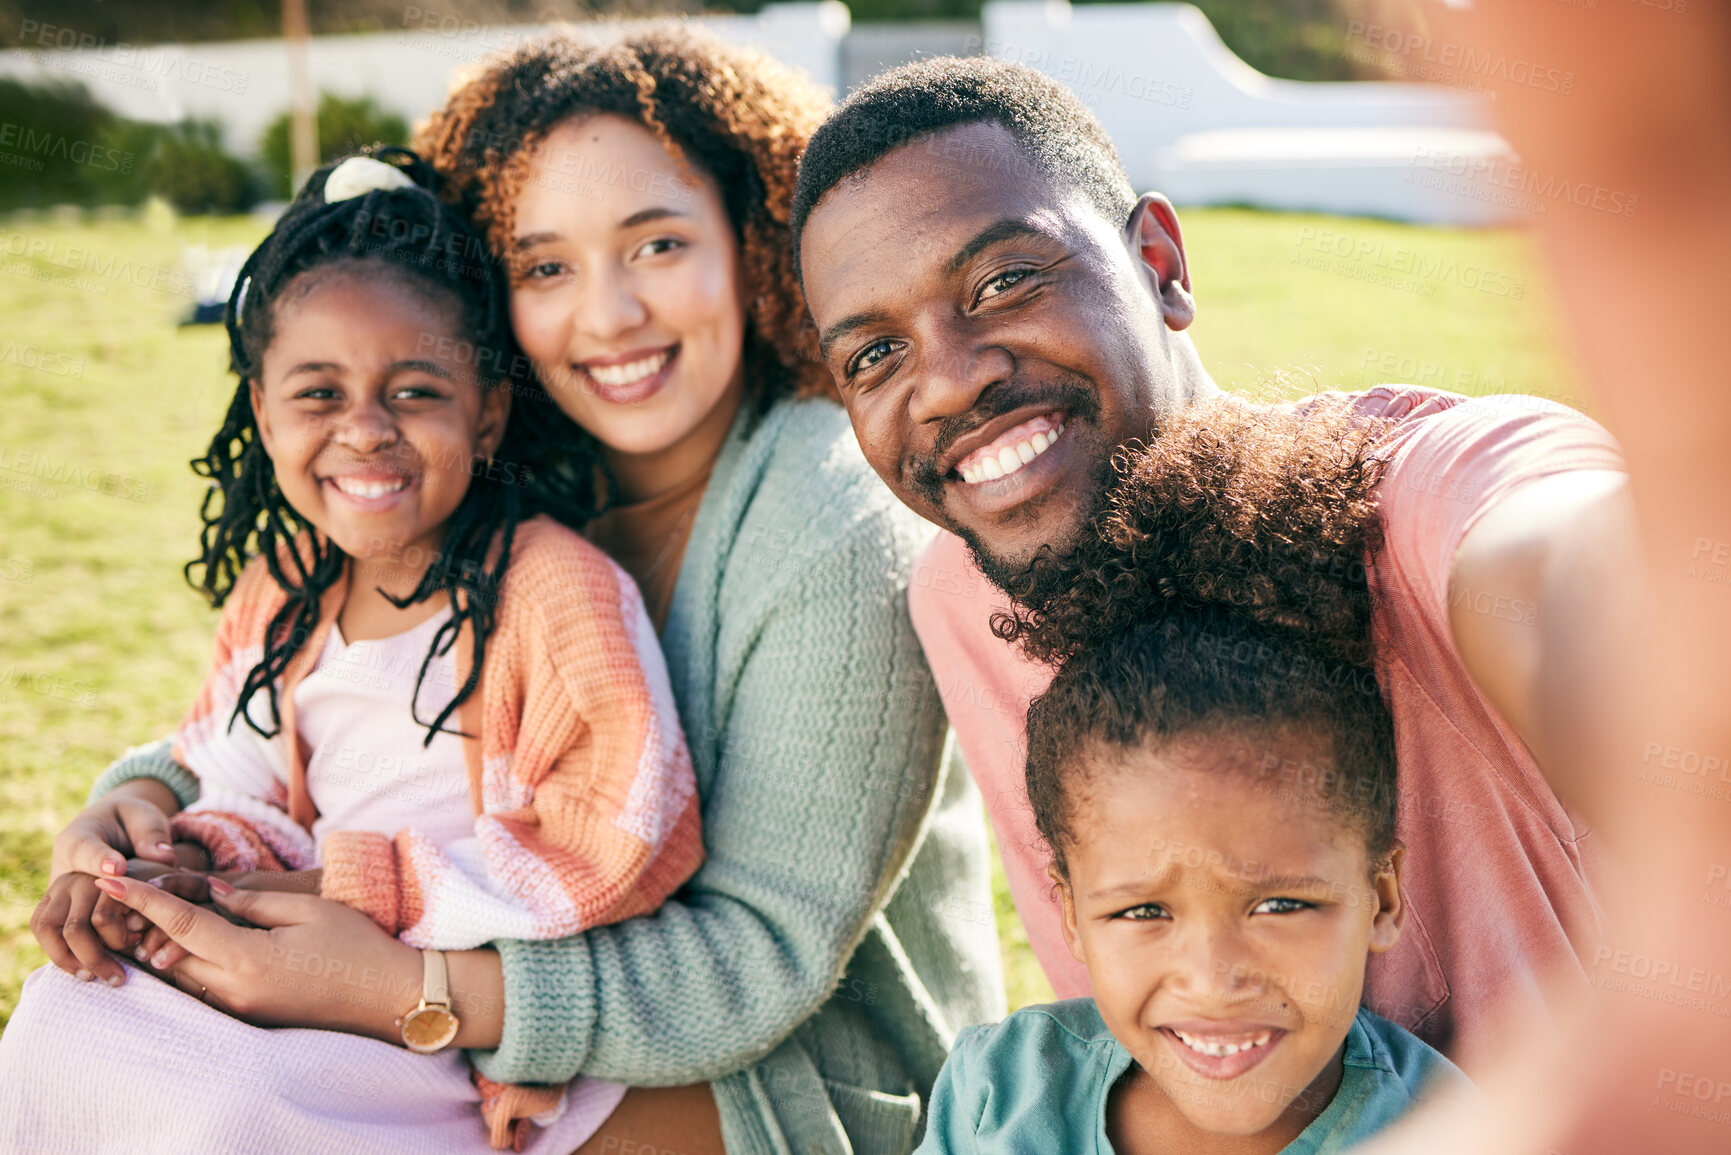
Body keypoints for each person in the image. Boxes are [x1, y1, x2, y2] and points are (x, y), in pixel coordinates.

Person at [38, 27, 1003, 1155]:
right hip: (474, 995)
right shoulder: (506, 460)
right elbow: (309, 692)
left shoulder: (829, 518)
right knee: (105, 1044)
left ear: (751, 243)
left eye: (655, 245)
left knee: (259, 1122)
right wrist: (139, 806)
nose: (609, 316)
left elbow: (755, 968)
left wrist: (401, 988)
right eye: (547, 266)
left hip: (791, 1074)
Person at [790, 56, 1632, 1075]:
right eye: (874, 355)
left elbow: (1575, 572)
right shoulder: (969, 598)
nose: (948, 382)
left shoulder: (1416, 499)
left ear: (1160, 266)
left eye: (1005, 282)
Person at [9, 148, 704, 1153]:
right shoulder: (289, 581)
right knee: (56, 1025)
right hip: (289, 948)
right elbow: (231, 764)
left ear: (490, 410)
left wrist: (360, 892)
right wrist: (164, 847)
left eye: (415, 391)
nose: (365, 432)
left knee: (227, 1107)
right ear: (262, 411)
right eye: (318, 394)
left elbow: (626, 834)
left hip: (443, 1011)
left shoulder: (557, 591)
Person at [918, 399, 1473, 1154]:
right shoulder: (1003, 1093)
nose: (1213, 978)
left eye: (1279, 903)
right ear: (1071, 916)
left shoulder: (1449, 1129)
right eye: (1143, 912)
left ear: (1380, 895)